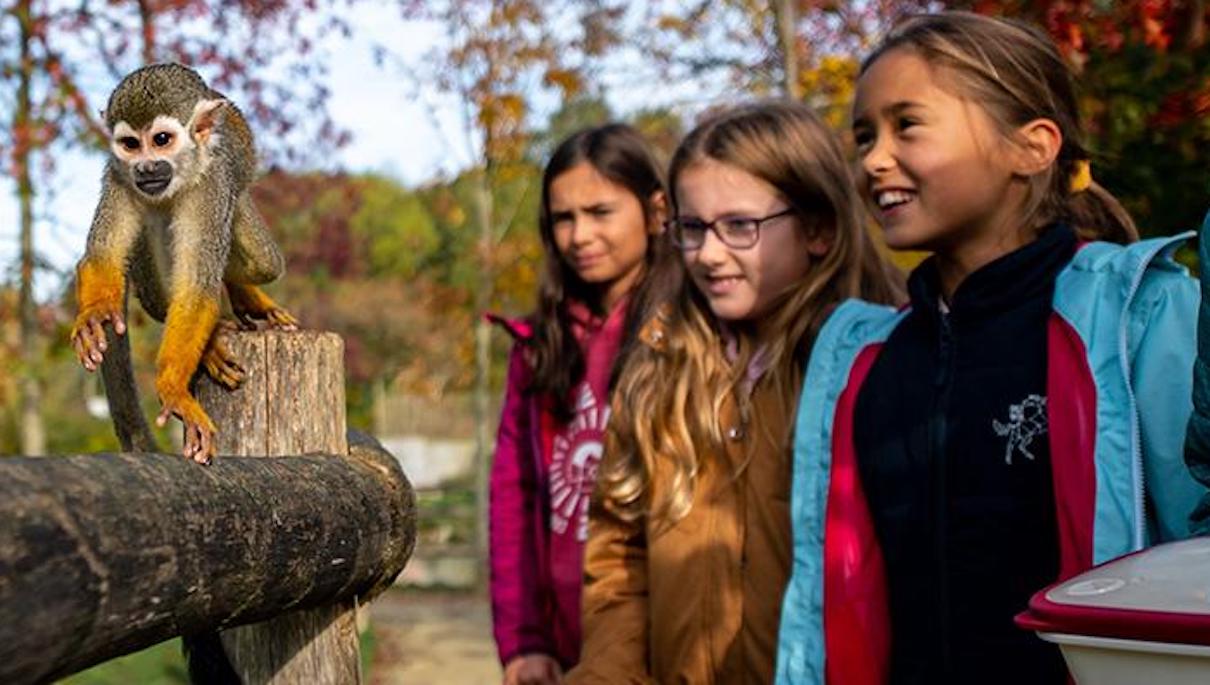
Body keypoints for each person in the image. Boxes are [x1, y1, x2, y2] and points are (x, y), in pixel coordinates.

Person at [774, 12, 1210, 685]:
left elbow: (1195, 557)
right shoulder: (860, 359)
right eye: (864, 135)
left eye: (907, 125)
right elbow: (824, 592)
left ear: (1031, 147)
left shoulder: (1139, 317)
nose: (872, 159)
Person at [568, 101, 902, 684]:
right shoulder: (657, 369)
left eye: (740, 226)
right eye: (693, 228)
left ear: (819, 228)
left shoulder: (876, 370)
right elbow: (619, 557)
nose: (710, 254)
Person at [487, 123, 668, 685]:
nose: (579, 235)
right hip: (565, 646)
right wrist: (523, 641)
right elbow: (512, 497)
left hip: (667, 637)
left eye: (600, 211)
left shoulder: (690, 333)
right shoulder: (539, 346)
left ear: (656, 211)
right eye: (563, 218)